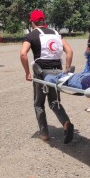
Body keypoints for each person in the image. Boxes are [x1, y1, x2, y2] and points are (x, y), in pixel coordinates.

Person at [20, 9, 75, 144]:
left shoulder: (32, 36)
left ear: (32, 22)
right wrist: (67, 69)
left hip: (41, 73)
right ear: (44, 21)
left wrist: (27, 72)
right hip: (57, 72)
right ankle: (66, 123)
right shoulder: (57, 34)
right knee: (54, 102)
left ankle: (44, 133)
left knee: (39, 104)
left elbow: (23, 54)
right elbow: (69, 51)